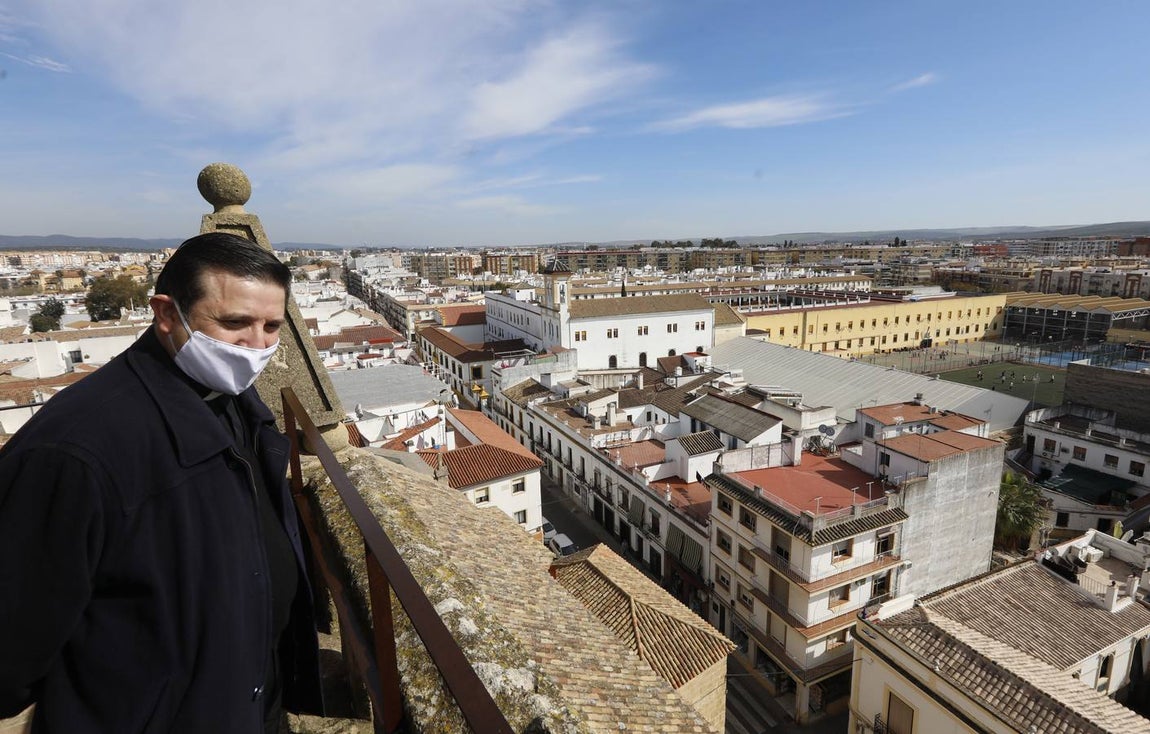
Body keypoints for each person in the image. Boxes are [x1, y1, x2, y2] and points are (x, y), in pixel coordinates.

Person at [0, 233, 322, 733]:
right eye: (235, 322)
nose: (257, 345)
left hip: (250, 704)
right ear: (167, 314)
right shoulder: (74, 450)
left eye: (272, 325)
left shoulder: (228, 400)